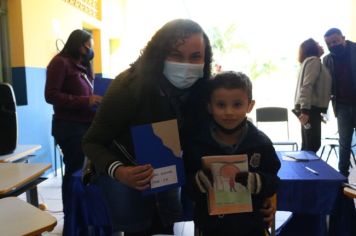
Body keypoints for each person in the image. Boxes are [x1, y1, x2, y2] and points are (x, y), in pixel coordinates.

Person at [82, 19, 275, 235]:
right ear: (160, 53)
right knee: (136, 229)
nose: (186, 64)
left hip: (166, 168)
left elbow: (228, 134)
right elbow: (91, 141)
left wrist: (267, 194)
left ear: (205, 58)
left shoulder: (203, 89)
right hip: (123, 168)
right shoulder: (128, 86)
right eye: (176, 55)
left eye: (195, 57)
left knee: (165, 224)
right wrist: (120, 171)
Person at [183, 71, 281, 236]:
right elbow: (186, 183)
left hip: (251, 227)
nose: (229, 112)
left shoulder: (261, 143)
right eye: (221, 105)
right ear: (209, 106)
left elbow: (273, 180)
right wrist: (197, 182)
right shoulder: (196, 144)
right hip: (210, 228)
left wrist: (259, 181)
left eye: (237, 104)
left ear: (250, 105)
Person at [44, 29, 102, 228]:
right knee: (75, 172)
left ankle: (83, 217)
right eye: (87, 45)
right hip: (69, 128)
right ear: (77, 43)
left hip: (86, 126)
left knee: (85, 173)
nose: (90, 49)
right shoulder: (60, 63)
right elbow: (51, 95)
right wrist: (86, 100)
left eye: (91, 45)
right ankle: (72, 219)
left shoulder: (82, 67)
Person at [323, 28, 356, 177]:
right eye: (329, 43)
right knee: (344, 144)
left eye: (335, 41)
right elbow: (326, 85)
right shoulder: (327, 59)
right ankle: (342, 178)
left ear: (343, 38)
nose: (332, 45)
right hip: (342, 106)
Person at [293, 38, 332, 153]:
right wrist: (305, 111)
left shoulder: (309, 62)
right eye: (317, 44)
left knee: (308, 145)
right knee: (312, 145)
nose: (321, 45)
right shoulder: (313, 61)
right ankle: (305, 171)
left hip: (309, 109)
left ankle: (303, 170)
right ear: (312, 47)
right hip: (308, 109)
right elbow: (307, 86)